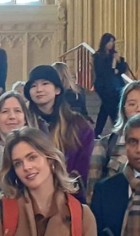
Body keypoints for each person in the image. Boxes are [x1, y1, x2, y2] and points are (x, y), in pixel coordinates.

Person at [25, 65, 95, 201]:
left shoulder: (78, 125)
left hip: (68, 197)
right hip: (29, 198)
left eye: (45, 83)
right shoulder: (24, 124)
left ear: (57, 89)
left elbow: (83, 167)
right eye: (33, 86)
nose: (39, 89)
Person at [93, 33, 130, 135]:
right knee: (112, 109)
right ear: (104, 42)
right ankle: (119, 130)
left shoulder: (114, 55)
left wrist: (118, 61)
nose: (111, 44)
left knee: (105, 109)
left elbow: (122, 69)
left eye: (113, 42)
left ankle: (97, 132)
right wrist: (112, 68)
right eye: (109, 41)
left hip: (115, 86)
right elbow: (100, 72)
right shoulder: (98, 56)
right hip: (104, 87)